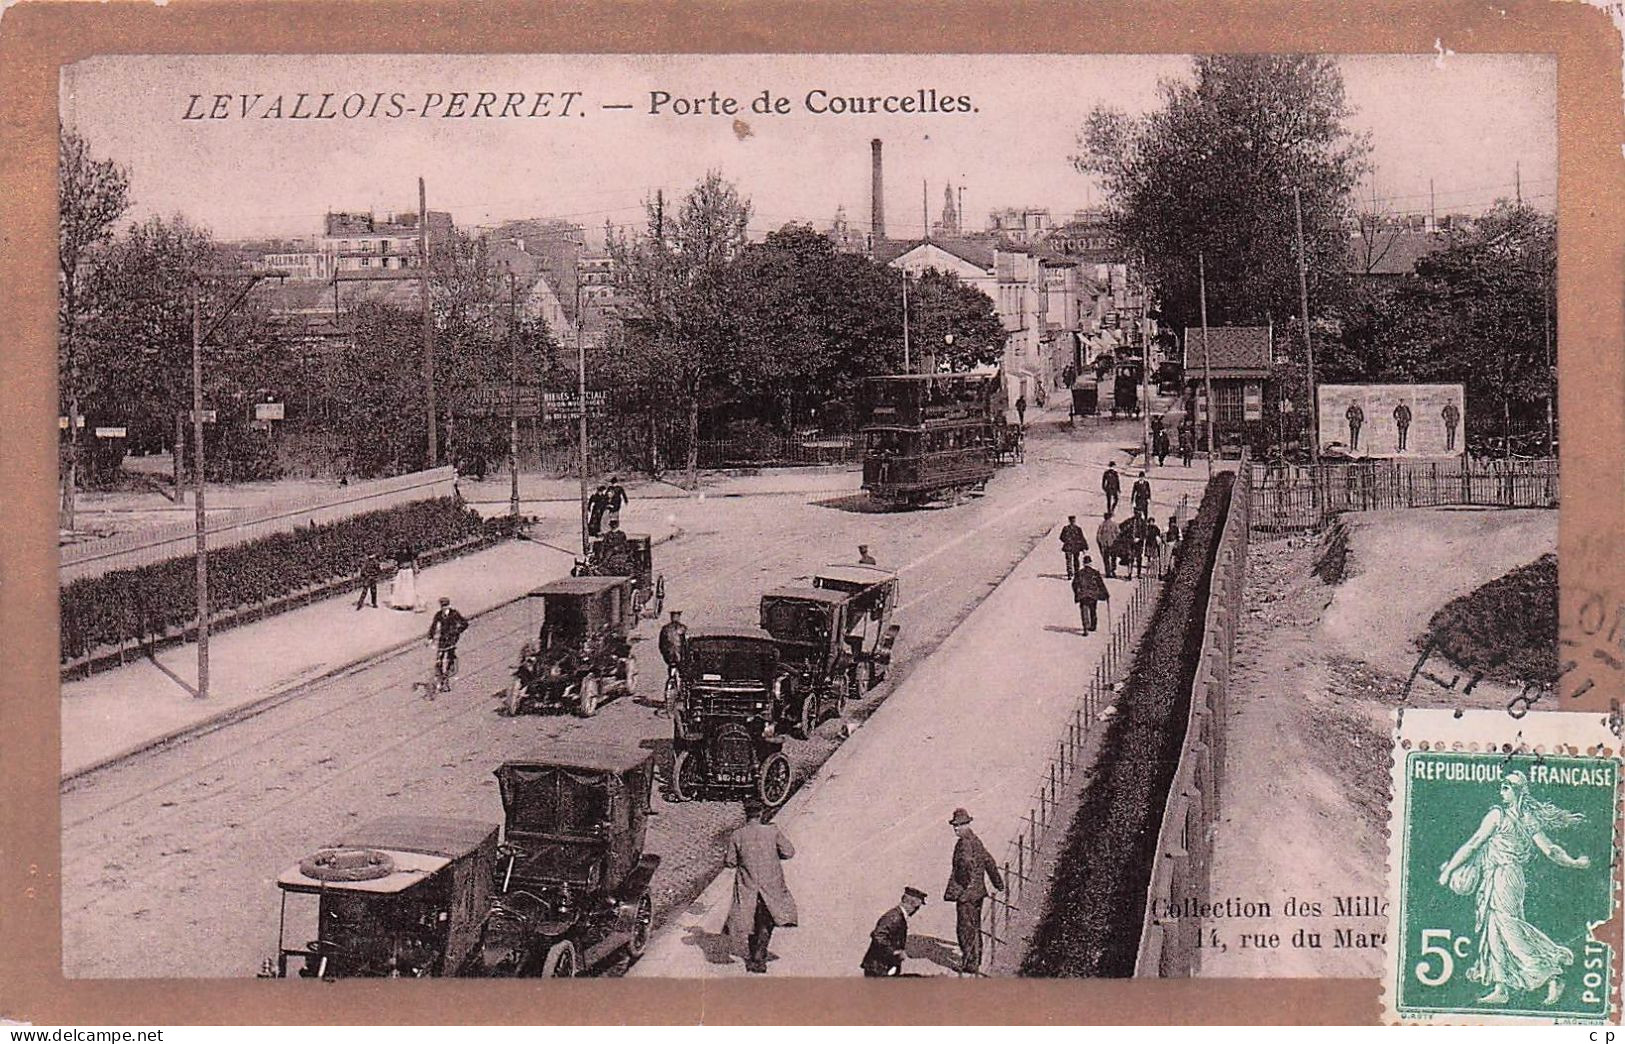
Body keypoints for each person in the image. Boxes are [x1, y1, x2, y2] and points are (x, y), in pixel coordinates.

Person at [1436, 771, 1590, 1006]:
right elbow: (1549, 850)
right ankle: (1501, 987)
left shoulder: (1500, 816)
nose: (1501, 789)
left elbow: (1476, 843)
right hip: (1496, 876)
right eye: (1502, 785)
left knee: (1508, 928)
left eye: (1506, 786)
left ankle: (1551, 974)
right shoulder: (1521, 818)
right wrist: (1574, 862)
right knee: (1494, 929)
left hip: (1506, 876)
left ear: (1518, 791)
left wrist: (1449, 871)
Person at [724, 796, 798, 974]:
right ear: (761, 813)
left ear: (746, 814)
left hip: (748, 886)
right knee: (767, 920)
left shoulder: (737, 835)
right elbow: (789, 852)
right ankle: (759, 956)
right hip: (771, 885)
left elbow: (730, 862)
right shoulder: (772, 832)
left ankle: (753, 956)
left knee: (751, 920)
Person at [944, 808, 1004, 976]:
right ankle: (976, 959)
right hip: (978, 893)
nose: (956, 828)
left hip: (967, 895)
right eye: (954, 825)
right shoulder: (976, 840)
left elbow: (965, 865)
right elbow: (989, 861)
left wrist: (964, 887)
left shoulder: (964, 843)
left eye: (959, 825)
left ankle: (971, 964)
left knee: (965, 929)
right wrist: (998, 883)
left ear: (967, 824)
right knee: (975, 927)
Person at [861, 887, 927, 977]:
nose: (916, 910)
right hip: (878, 967)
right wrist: (894, 951)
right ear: (910, 903)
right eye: (916, 907)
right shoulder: (894, 917)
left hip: (885, 964)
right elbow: (878, 935)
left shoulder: (898, 915)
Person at [426, 596, 468, 692]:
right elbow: (433, 626)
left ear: (449, 606)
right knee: (439, 660)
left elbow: (464, 623)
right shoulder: (439, 615)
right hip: (442, 640)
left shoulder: (454, 614)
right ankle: (441, 679)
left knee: (449, 660)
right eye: (442, 606)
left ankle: (446, 680)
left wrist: (458, 631)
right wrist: (430, 638)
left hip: (452, 640)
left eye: (445, 606)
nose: (444, 608)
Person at [658, 609, 689, 711]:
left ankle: (670, 697)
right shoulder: (683, 629)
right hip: (682, 658)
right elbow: (688, 645)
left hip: (670, 658)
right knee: (684, 678)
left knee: (671, 676)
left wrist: (665, 655)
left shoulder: (665, 629)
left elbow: (661, 645)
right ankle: (682, 697)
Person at [1071, 554, 1109, 634]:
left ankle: (1085, 627)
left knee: (1084, 610)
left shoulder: (1079, 573)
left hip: (1083, 594)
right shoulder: (1095, 573)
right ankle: (1093, 626)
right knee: (1093, 610)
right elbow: (1100, 584)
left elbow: (1074, 584)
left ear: (1083, 563)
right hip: (1093, 594)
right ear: (1090, 563)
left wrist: (1076, 593)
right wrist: (1106, 593)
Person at [388, 547, 418, 611]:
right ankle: (400, 604)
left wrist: (416, 570)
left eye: (405, 548)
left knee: (409, 587)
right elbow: (395, 564)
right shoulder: (399, 555)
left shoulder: (410, 555)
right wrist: (394, 572)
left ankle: (409, 603)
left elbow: (414, 562)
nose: (404, 550)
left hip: (409, 571)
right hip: (401, 571)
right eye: (403, 548)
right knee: (400, 587)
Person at [1096, 510, 1121, 580]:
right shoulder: (1114, 524)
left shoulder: (1102, 525)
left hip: (1106, 544)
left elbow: (1098, 536)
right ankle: (1112, 571)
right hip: (1112, 544)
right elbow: (1118, 534)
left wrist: (1100, 543)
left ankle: (1108, 572)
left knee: (1106, 559)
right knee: (1113, 558)